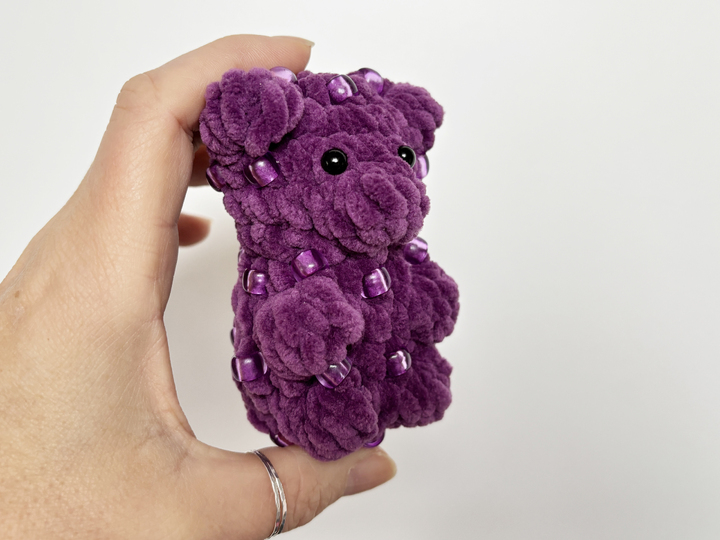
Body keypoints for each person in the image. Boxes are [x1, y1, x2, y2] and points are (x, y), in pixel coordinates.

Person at [0, 35, 396, 539]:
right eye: (336, 163)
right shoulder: (282, 233)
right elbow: (285, 327)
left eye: (405, 157)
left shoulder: (380, 256)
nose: (393, 188)